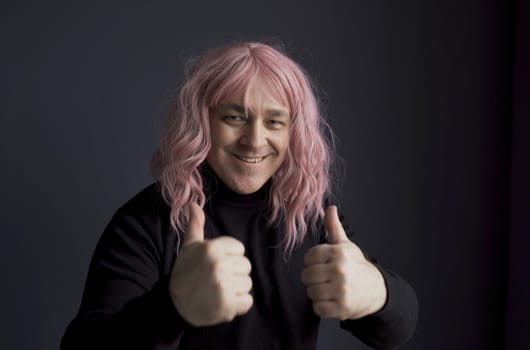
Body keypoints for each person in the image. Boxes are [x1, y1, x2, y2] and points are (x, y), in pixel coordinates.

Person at [61, 41, 418, 350]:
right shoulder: (145, 221)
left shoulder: (310, 217)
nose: (255, 140)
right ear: (203, 121)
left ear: (293, 132)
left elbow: (397, 329)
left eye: (275, 122)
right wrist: (172, 307)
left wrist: (376, 293)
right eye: (235, 117)